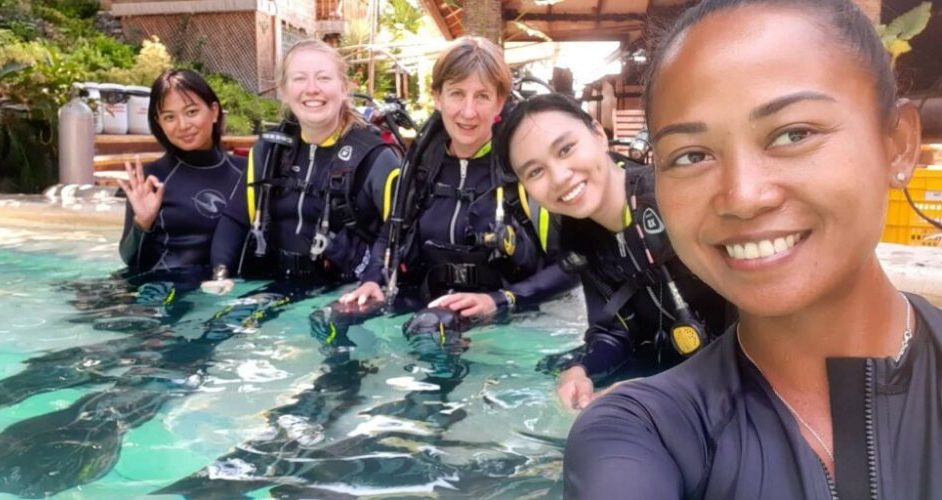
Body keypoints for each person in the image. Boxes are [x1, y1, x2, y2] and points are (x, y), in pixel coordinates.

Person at [564, 1, 940, 498]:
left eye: (793, 134)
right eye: (691, 155)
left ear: (898, 144)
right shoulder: (645, 431)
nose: (742, 196)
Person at [331, 36, 576, 345]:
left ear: (500, 102)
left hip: (510, 313)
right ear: (437, 97)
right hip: (428, 305)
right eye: (457, 94)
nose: (468, 111)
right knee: (334, 318)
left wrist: (503, 300)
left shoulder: (525, 169)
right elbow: (391, 233)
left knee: (432, 334)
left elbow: (573, 265)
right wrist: (372, 280)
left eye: (482, 96)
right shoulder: (421, 168)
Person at [496, 93, 731, 410]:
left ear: (598, 133)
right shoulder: (582, 238)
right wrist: (580, 370)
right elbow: (615, 330)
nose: (560, 177)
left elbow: (764, 324)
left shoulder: (674, 197)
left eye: (566, 149)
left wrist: (666, 390)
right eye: (535, 172)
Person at [207, 39, 399, 300]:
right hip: (273, 284)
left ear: (344, 88)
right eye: (299, 79)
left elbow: (400, 233)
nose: (312, 89)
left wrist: (373, 280)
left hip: (346, 292)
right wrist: (221, 275)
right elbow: (236, 219)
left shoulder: (376, 157)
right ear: (284, 91)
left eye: (323, 78)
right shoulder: (270, 151)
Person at [117, 69, 246, 282]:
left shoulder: (246, 173)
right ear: (159, 123)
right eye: (169, 117)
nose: (183, 125)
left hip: (227, 289)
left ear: (214, 112)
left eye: (192, 112)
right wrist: (143, 223)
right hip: (164, 290)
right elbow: (130, 261)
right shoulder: (151, 180)